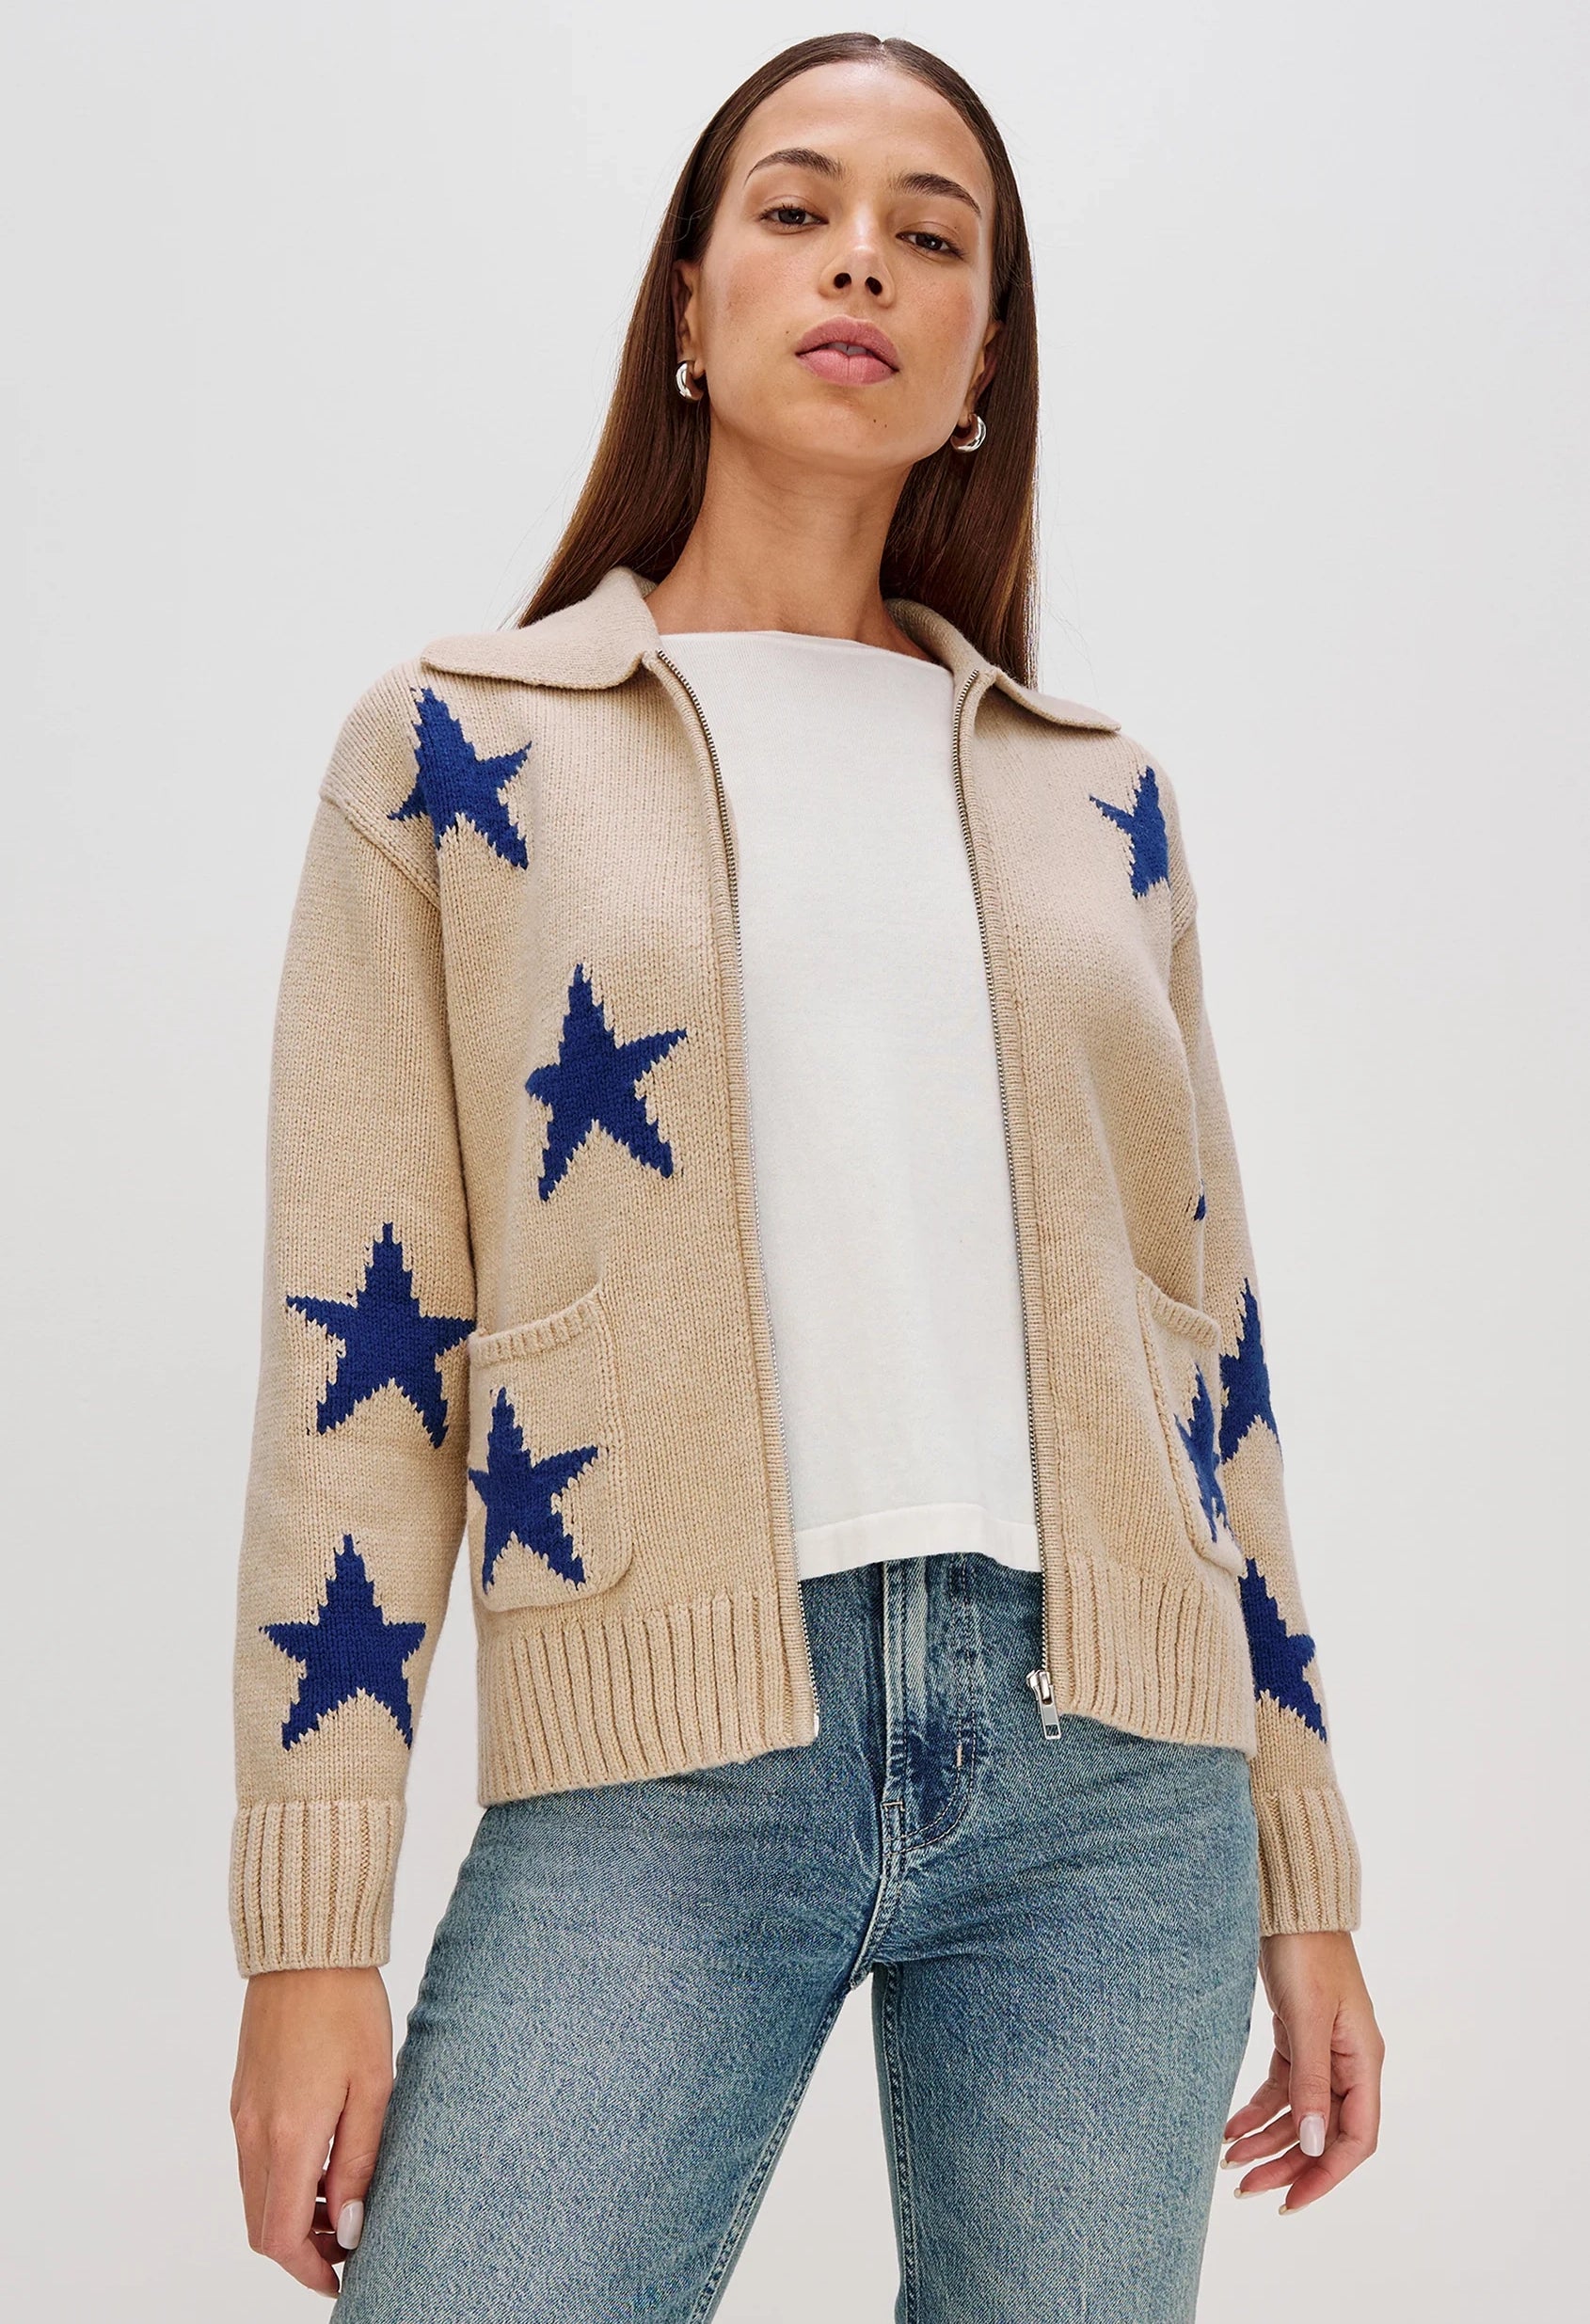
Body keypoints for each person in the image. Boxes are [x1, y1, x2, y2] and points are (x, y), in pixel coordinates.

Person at [228, 32, 1382, 2320]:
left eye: (929, 236)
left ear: (980, 357)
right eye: (794, 206)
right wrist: (308, 1931)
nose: (860, 258)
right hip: (661, 1764)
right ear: (689, 299)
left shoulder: (1097, 792)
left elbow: (1208, 1347)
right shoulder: (455, 746)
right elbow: (355, 1356)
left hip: (1112, 1780)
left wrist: (1302, 1851)